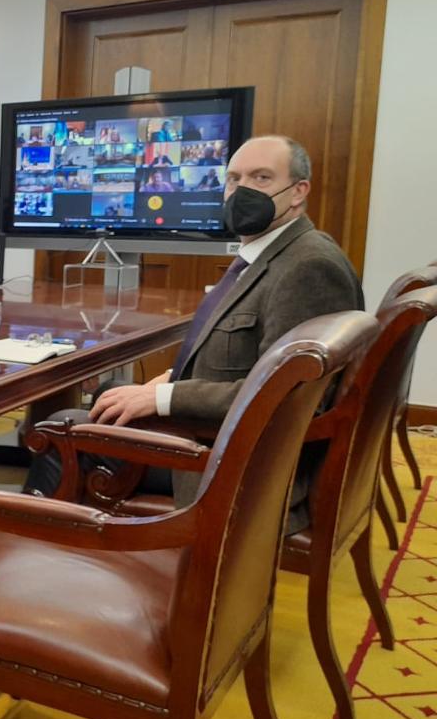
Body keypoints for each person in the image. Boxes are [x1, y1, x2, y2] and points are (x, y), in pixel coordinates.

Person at [25, 136, 363, 533]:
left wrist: (163, 397)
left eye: (262, 178)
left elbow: (285, 396)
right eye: (234, 179)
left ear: (298, 191)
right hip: (217, 437)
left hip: (232, 469)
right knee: (107, 395)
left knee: (58, 430)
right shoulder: (276, 255)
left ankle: (27, 555)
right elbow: (254, 359)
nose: (243, 191)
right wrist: (168, 383)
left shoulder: (307, 268)